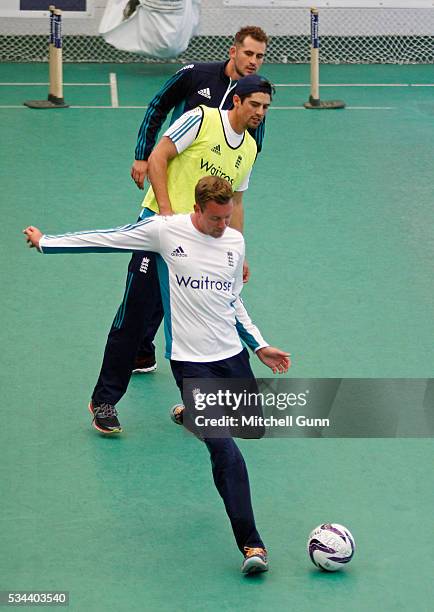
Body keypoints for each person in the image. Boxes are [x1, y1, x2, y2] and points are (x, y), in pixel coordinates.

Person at [23, 176, 291, 574]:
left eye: (227, 217)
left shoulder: (233, 241)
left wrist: (259, 345)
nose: (222, 226)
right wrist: (48, 242)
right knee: (225, 449)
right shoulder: (166, 232)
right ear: (198, 209)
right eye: (216, 218)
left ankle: (191, 415)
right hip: (190, 360)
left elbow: (233, 300)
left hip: (231, 355)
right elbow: (109, 237)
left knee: (251, 425)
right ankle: (253, 546)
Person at [89, 74, 275, 433]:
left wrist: (236, 249)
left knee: (193, 322)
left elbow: (234, 200)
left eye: (266, 107)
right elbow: (159, 157)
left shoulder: (249, 147)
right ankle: (104, 401)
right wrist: (165, 214)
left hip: (201, 242)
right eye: (254, 104)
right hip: (161, 231)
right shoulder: (201, 118)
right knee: (135, 316)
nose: (260, 112)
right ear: (236, 101)